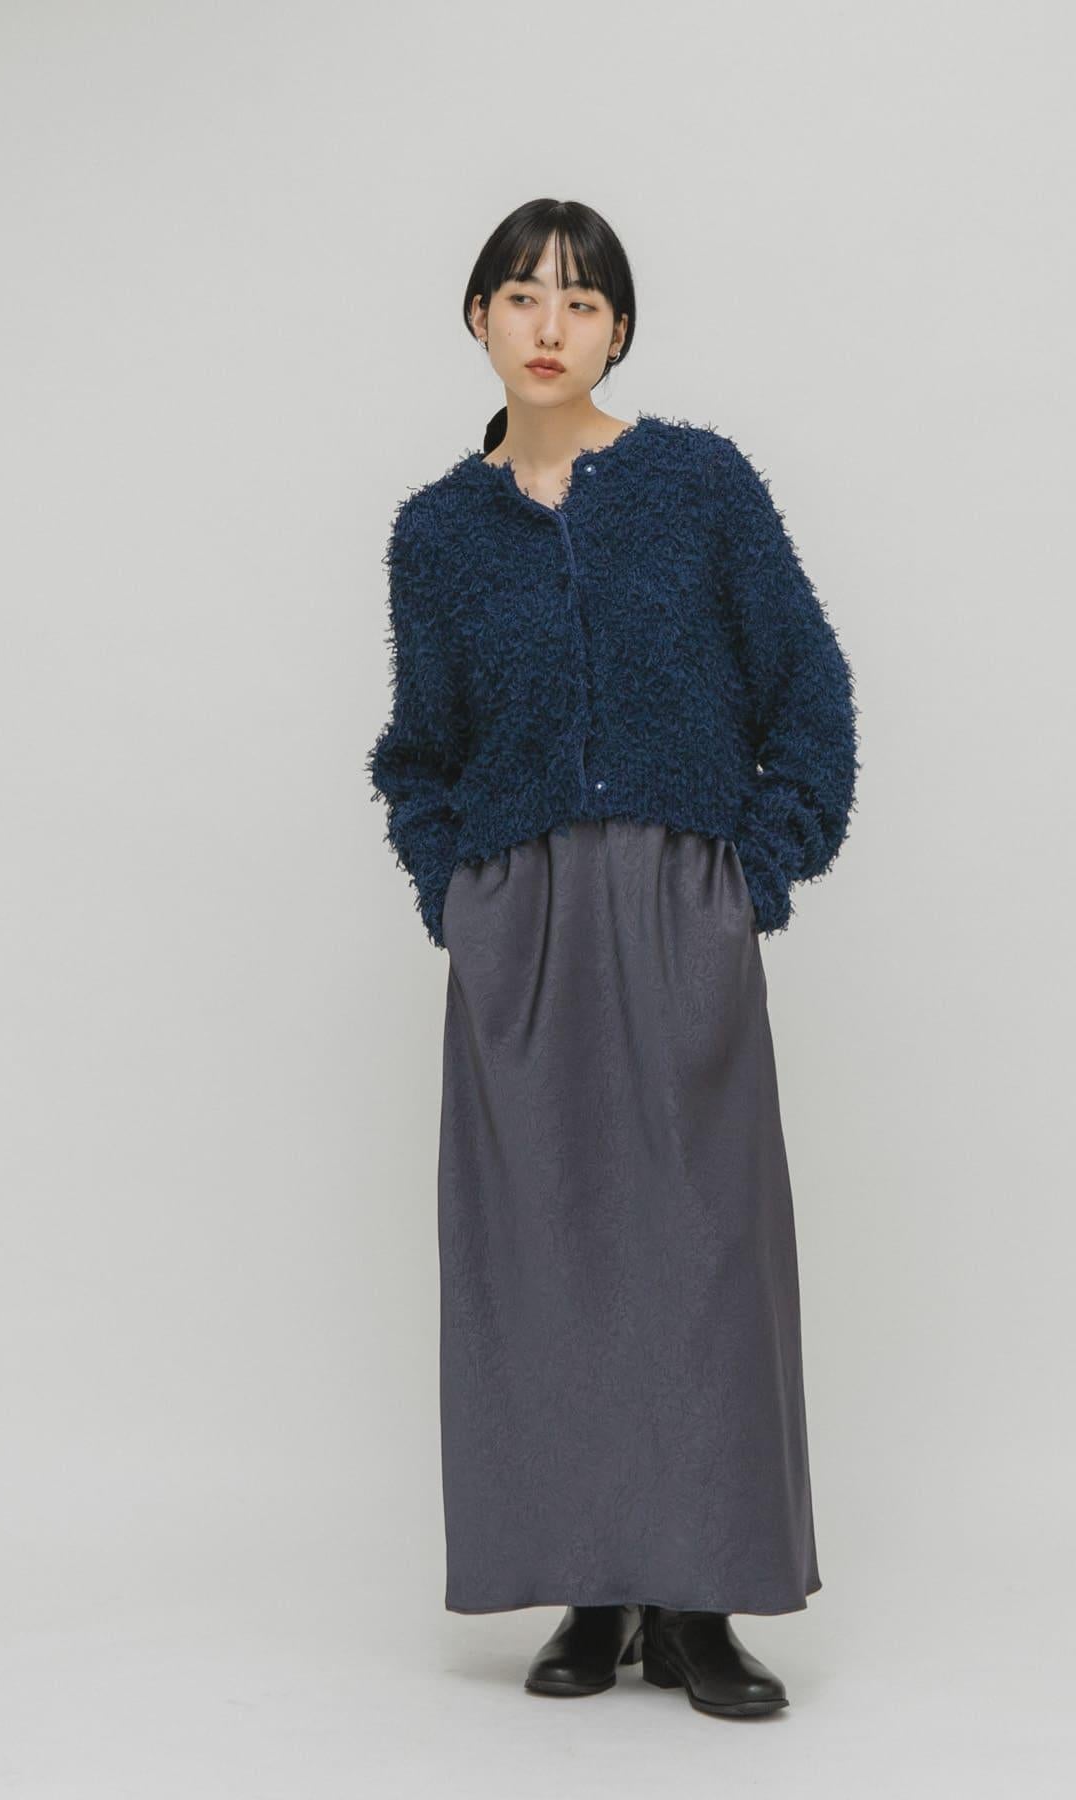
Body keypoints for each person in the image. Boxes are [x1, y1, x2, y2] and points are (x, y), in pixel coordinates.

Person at [366, 198, 860, 1720]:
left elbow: (810, 691)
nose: (549, 325)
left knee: (701, 1255)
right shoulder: (438, 535)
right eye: (521, 295)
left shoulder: (699, 486)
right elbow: (418, 750)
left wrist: (750, 879)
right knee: (547, 1255)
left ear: (620, 331)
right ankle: (593, 1588)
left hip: (676, 904)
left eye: (581, 303)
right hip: (520, 926)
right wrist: (459, 895)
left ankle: (699, 1605)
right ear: (477, 318)